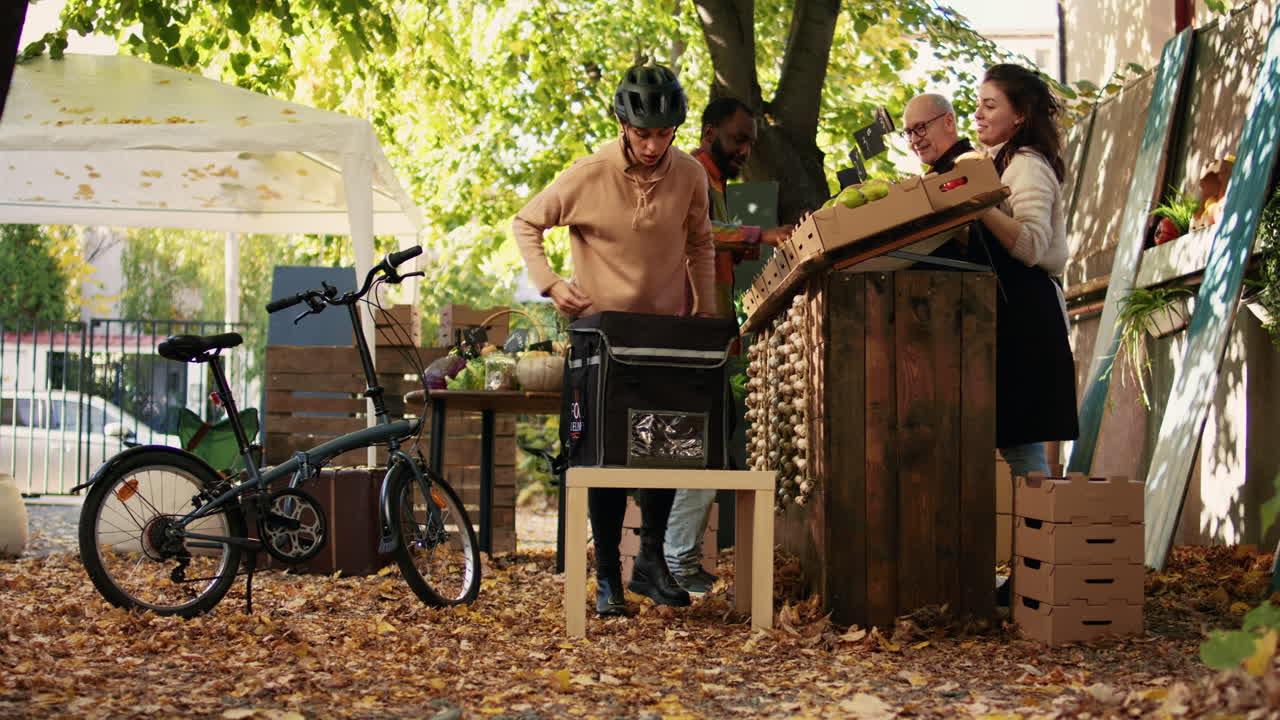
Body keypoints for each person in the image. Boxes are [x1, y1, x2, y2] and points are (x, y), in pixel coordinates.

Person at [513, 63, 716, 617]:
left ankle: (649, 564)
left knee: (664, 450)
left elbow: (701, 244)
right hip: (599, 340)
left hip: (664, 336)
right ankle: (607, 577)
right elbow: (526, 223)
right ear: (623, 124)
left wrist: (706, 315)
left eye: (664, 133)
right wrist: (551, 284)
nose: (653, 145)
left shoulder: (691, 176)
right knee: (603, 461)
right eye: (643, 133)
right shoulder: (589, 173)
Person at [664, 97, 793, 594]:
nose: (744, 151)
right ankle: (677, 558)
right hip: (689, 329)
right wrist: (761, 235)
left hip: (710, 329)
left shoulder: (717, 184)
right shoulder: (692, 173)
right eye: (738, 139)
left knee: (713, 435)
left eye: (751, 144)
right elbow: (694, 233)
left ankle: (678, 555)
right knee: (707, 440)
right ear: (709, 130)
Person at [970, 64, 1079, 479]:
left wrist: (979, 206)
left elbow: (1032, 245)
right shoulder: (997, 162)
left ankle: (1042, 536)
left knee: (1021, 439)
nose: (978, 113)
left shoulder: (1027, 165)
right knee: (1011, 437)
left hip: (1029, 314)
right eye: (978, 104)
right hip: (1009, 311)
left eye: (990, 105)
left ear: (1020, 115)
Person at [901, 92, 975, 174]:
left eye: (920, 127)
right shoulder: (938, 174)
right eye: (909, 133)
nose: (914, 140)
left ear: (948, 122)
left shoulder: (973, 167)